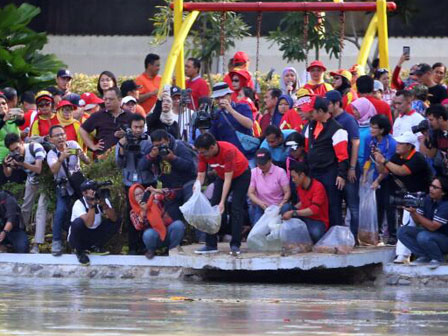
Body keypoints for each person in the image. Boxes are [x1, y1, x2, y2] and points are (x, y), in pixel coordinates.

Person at [373, 131, 432, 263]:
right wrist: (379, 161)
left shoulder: (417, 158)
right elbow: (383, 171)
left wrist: (384, 160)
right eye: (398, 143)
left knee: (412, 224)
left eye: (401, 143)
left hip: (424, 195)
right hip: (409, 196)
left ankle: (408, 255)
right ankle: (404, 254)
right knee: (406, 223)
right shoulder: (397, 156)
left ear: (409, 146)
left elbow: (402, 171)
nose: (397, 145)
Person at [194, 133, 251, 255]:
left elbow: (228, 179)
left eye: (204, 152)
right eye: (201, 152)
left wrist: (222, 202)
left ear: (213, 147)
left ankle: (235, 244)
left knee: (236, 207)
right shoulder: (202, 153)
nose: (203, 155)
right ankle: (211, 244)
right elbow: (201, 174)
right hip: (222, 175)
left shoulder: (228, 151)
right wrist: (197, 186)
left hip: (241, 175)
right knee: (213, 206)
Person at [304, 96, 349, 227]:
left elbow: (342, 155)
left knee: (333, 203)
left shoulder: (337, 129)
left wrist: (341, 174)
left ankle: (336, 233)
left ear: (321, 112)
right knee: (316, 203)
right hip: (314, 171)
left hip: (330, 172)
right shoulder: (311, 126)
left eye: (312, 111)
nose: (309, 114)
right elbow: (307, 148)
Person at [47, 125, 90, 256]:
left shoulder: (73, 144)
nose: (60, 138)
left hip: (78, 184)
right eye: (56, 136)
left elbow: (87, 162)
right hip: (63, 186)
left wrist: (81, 154)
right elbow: (53, 170)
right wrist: (61, 158)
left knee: (86, 209)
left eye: (62, 134)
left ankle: (87, 241)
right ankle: (56, 241)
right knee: (60, 211)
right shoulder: (51, 154)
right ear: (51, 139)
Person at [115, 113, 155, 254]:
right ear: (130, 127)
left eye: (141, 127)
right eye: (135, 127)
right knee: (132, 214)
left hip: (148, 181)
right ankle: (133, 247)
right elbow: (119, 164)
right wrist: (122, 147)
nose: (138, 130)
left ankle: (147, 245)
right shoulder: (123, 140)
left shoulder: (148, 139)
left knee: (149, 213)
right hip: (130, 182)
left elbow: (152, 162)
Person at [3, 133, 48, 253]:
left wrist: (22, 164)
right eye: (13, 150)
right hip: (31, 180)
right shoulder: (14, 156)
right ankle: (21, 233)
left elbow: (38, 169)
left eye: (17, 148)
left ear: (22, 143)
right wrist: (5, 164)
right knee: (25, 208)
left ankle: (37, 244)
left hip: (46, 180)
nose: (16, 152)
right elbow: (8, 174)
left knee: (41, 209)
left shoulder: (35, 147)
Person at [326, 90, 360, 237]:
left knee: (352, 204)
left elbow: (355, 143)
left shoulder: (348, 120)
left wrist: (352, 167)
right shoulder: (329, 120)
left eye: (328, 103)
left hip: (349, 167)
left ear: (336, 104)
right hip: (337, 167)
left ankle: (354, 236)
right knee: (336, 204)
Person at [398, 176, 448, 269]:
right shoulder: (428, 199)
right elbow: (418, 221)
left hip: (444, 239)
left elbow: (433, 227)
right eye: (431, 186)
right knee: (402, 231)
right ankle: (425, 256)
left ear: (443, 192)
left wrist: (414, 213)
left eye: (435, 188)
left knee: (423, 236)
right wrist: (412, 210)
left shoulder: (445, 205)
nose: (431, 189)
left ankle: (438, 258)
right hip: (431, 235)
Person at [362, 114, 397, 245]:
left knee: (389, 205)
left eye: (374, 127)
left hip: (388, 177)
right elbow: (367, 159)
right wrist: (365, 175)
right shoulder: (369, 140)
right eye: (370, 126)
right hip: (376, 175)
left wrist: (378, 181)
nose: (371, 130)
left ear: (382, 130)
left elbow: (387, 167)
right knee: (378, 206)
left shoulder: (391, 144)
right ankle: (376, 233)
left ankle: (393, 234)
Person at [69, 180, 120, 265]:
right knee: (78, 223)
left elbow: (114, 219)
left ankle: (96, 246)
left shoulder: (101, 198)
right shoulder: (79, 204)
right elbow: (89, 223)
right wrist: (92, 206)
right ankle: (79, 252)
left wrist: (104, 205)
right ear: (84, 193)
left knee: (116, 221)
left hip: (93, 234)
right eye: (91, 189)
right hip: (79, 238)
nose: (94, 191)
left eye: (95, 189)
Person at [128, 184, 185, 259]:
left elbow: (172, 194)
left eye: (141, 193)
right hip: (154, 238)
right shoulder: (133, 212)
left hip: (167, 231)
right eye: (136, 195)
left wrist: (157, 191)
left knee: (178, 225)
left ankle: (171, 250)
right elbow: (139, 227)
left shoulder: (154, 199)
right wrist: (143, 212)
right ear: (132, 198)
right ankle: (151, 251)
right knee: (148, 234)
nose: (140, 196)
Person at [281, 161, 328, 243]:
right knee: (285, 207)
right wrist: (292, 209)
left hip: (317, 220)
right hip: (304, 217)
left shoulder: (318, 187)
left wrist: (293, 212)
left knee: (316, 233)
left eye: (294, 177)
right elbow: (303, 202)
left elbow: (314, 210)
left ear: (302, 175)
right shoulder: (299, 186)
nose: (292, 180)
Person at [80, 87, 134, 153]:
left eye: (111, 99)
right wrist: (92, 146)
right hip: (103, 157)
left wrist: (126, 135)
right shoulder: (98, 115)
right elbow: (83, 130)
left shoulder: (130, 115)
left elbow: (139, 133)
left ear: (120, 100)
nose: (107, 102)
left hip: (125, 154)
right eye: (105, 99)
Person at [208, 82, 254, 156]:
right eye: (217, 98)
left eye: (222, 97)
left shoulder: (243, 107)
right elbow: (212, 138)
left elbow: (249, 124)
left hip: (247, 153)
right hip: (228, 156)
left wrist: (230, 110)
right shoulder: (216, 115)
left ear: (230, 95)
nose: (220, 101)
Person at [248, 148, 290, 225]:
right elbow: (251, 193)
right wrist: (260, 203)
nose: (262, 166)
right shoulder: (253, 172)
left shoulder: (280, 172)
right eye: (259, 164)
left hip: (278, 206)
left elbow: (287, 191)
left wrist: (281, 204)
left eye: (264, 163)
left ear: (270, 160)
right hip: (262, 206)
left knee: (286, 208)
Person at [0, 92, 25, 184]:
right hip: (2, 160)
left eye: (4, 103)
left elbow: (20, 123)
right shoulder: (5, 118)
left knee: (20, 183)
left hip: (18, 156)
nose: (2, 106)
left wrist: (21, 118)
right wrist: (3, 120)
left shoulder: (12, 116)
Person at [420, 104, 448, 176]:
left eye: (431, 120)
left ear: (440, 118)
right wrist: (425, 136)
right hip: (443, 171)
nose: (429, 123)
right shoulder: (436, 132)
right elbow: (429, 155)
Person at [350, 97, 377, 165]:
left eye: (356, 109)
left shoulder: (374, 127)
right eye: (353, 109)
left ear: (364, 109)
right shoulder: (353, 123)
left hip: (369, 165)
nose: (354, 112)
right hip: (355, 162)